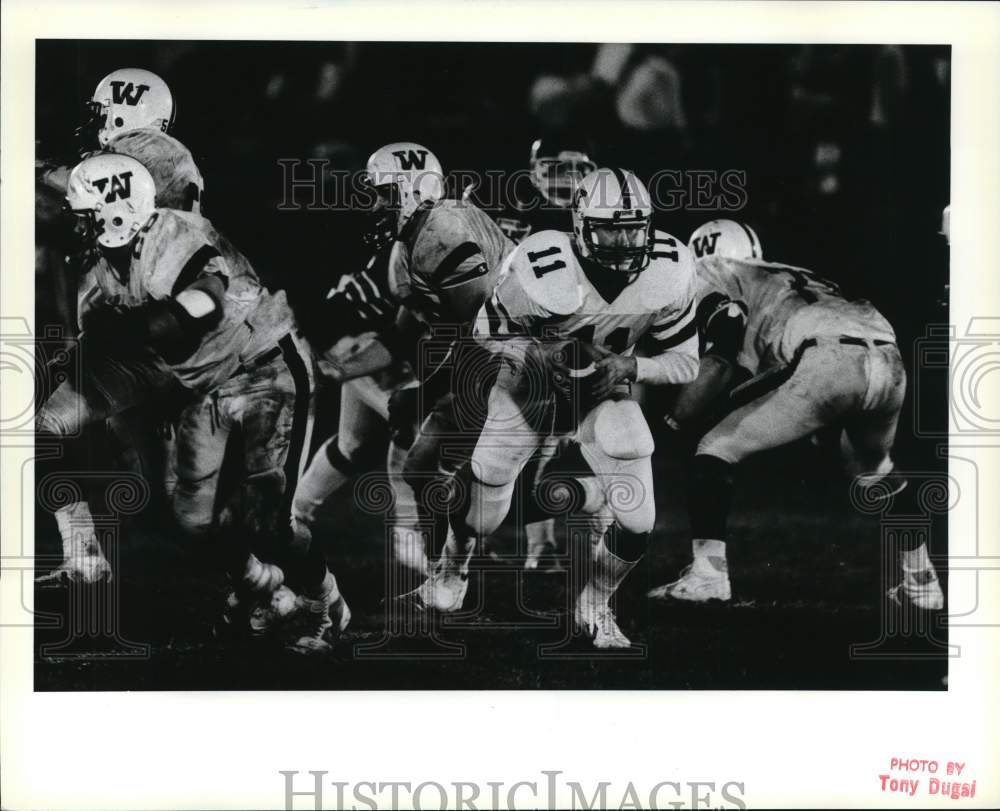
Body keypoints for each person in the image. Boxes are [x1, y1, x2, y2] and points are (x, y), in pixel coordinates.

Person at [414, 167, 699, 648]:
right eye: (611, 226)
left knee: (639, 518)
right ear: (582, 224)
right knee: (488, 493)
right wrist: (535, 354)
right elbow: (484, 334)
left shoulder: (670, 268)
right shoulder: (543, 262)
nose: (625, 240)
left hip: (604, 389)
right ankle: (452, 568)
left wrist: (631, 369)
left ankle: (594, 606)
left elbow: (686, 363)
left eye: (633, 226)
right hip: (531, 384)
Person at [648, 220, 943, 610]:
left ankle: (708, 577)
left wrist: (674, 421)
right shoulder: (793, 274)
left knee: (715, 448)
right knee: (875, 469)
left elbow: (722, 362)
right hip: (888, 356)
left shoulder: (710, 272)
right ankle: (923, 584)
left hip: (827, 358)